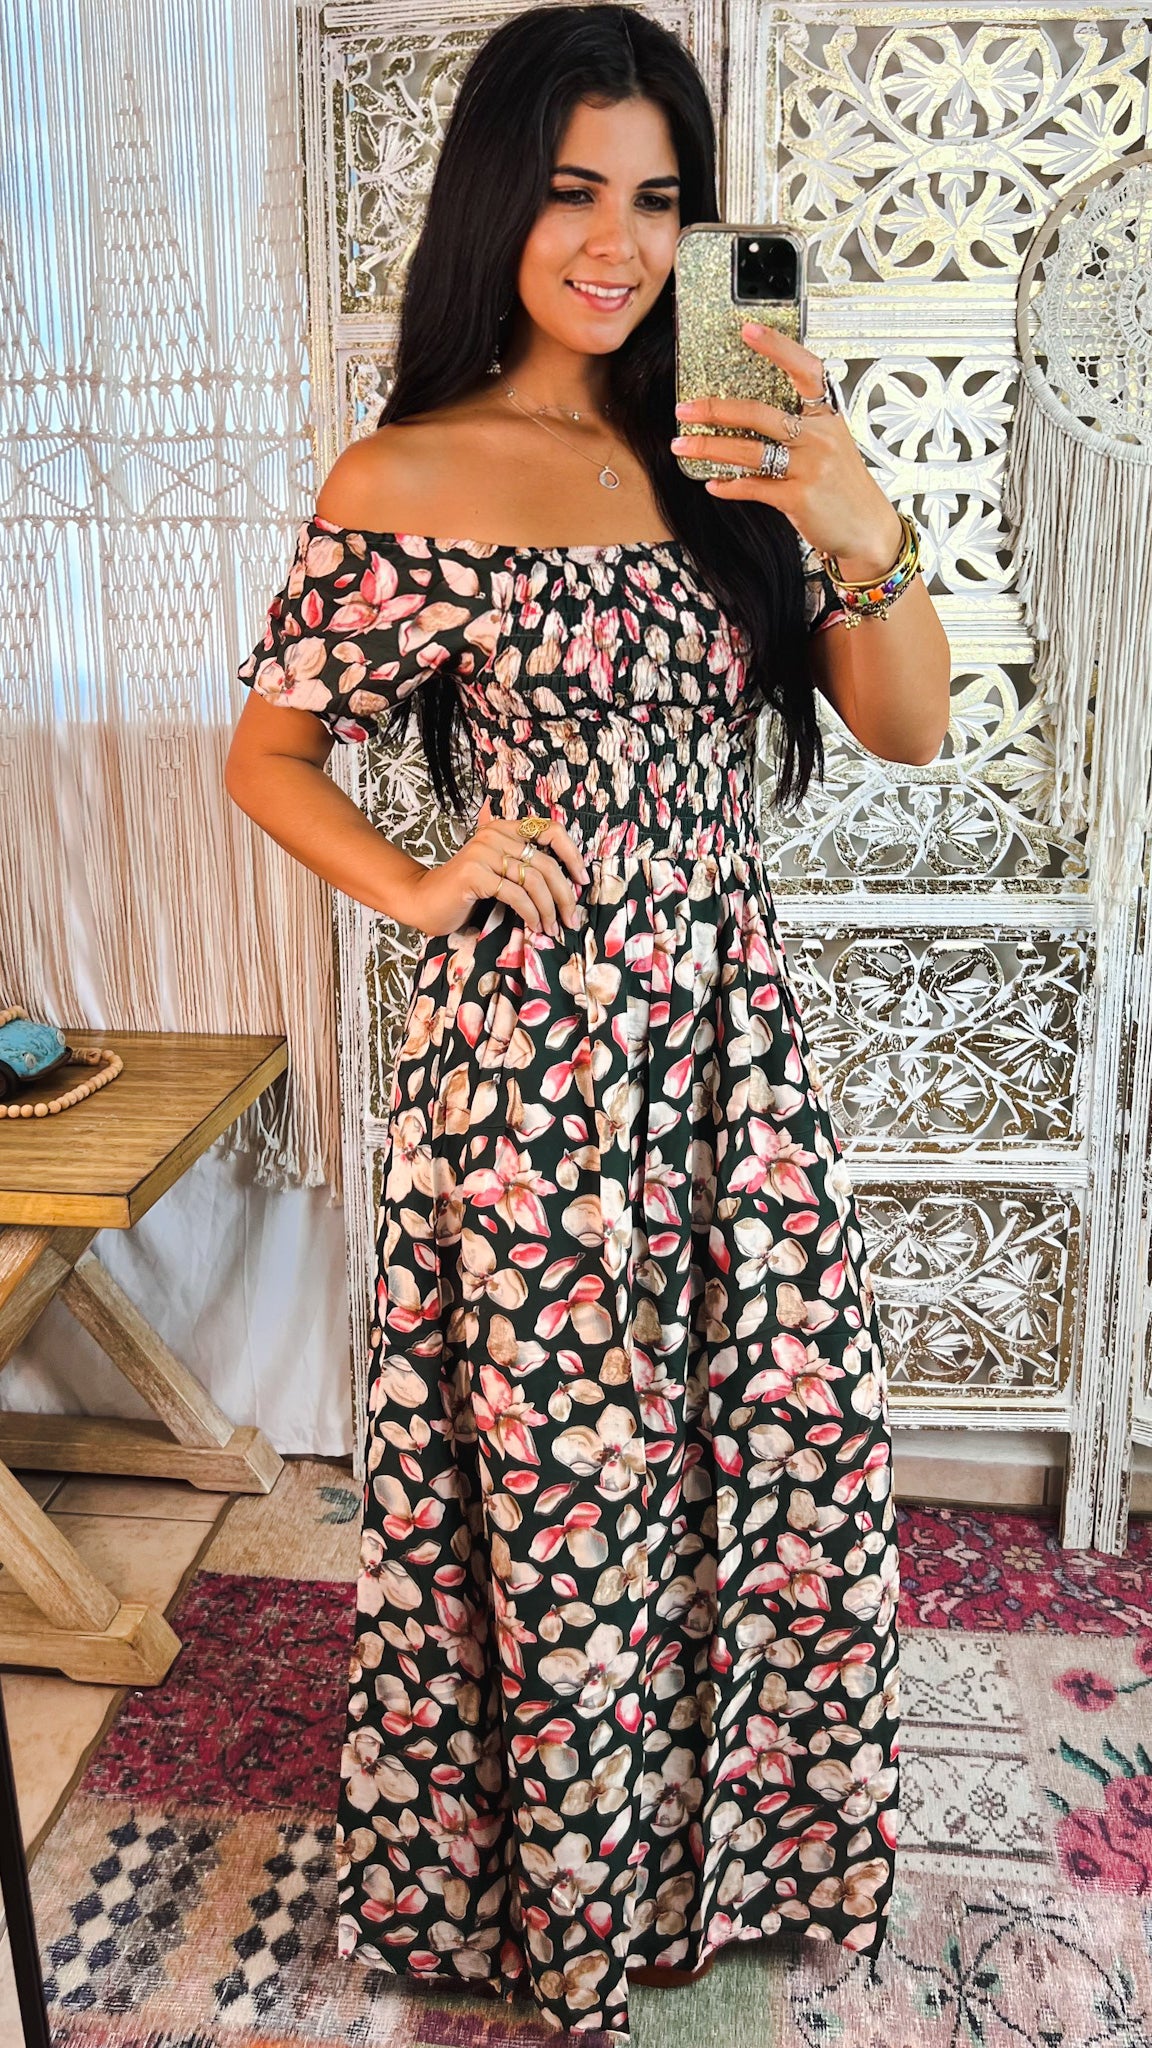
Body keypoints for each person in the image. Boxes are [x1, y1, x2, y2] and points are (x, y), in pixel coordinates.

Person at [225, 6, 950, 2040]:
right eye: (569, 193)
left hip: (731, 1057)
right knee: (566, 1494)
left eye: (656, 198)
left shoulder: (736, 452)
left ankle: (735, 1858)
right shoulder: (408, 474)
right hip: (533, 1078)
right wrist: (420, 881)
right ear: (496, 204)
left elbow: (906, 726)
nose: (617, 243)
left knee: (783, 1445)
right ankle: (554, 1897)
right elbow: (268, 757)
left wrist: (850, 509)